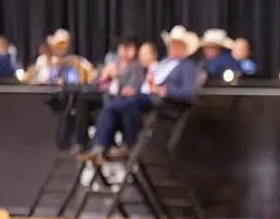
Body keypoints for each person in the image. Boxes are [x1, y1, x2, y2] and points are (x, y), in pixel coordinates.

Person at [84, 27, 198, 162]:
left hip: (163, 101)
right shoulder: (163, 62)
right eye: (171, 44)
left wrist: (163, 90)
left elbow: (189, 92)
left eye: (176, 45)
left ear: (184, 48)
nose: (171, 48)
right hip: (142, 96)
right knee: (117, 105)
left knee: (122, 104)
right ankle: (100, 147)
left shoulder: (187, 66)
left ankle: (127, 144)